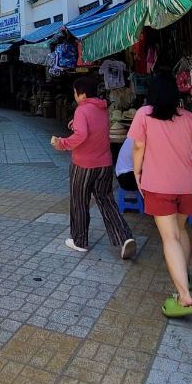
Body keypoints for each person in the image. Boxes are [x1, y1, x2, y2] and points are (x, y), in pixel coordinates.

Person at [129, 73, 192, 318]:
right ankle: (184, 277)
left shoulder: (144, 114)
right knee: (181, 230)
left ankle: (183, 295)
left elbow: (139, 147)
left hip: (158, 185)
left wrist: (137, 172)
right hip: (186, 185)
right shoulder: (188, 118)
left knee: (170, 236)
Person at [51, 76, 136, 259]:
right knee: (106, 201)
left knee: (79, 201)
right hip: (104, 164)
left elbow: (81, 135)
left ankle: (79, 241)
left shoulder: (82, 110)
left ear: (81, 94)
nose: (74, 96)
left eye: (75, 92)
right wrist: (75, 125)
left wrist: (62, 143)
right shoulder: (102, 108)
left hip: (84, 165)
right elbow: (92, 129)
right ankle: (124, 237)